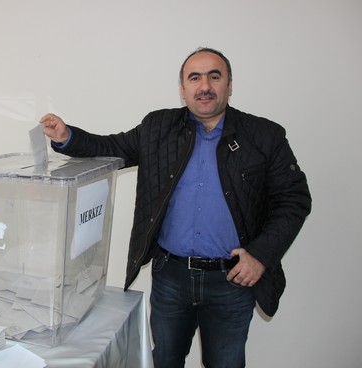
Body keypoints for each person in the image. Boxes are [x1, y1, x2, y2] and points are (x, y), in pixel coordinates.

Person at [40, 47, 312, 368]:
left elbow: (294, 200)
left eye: (214, 76)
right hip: (171, 277)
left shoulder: (264, 136)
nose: (204, 86)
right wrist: (66, 136)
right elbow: (109, 147)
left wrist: (261, 256)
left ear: (229, 85)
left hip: (231, 281)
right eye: (194, 78)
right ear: (183, 89)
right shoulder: (158, 127)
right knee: (165, 361)